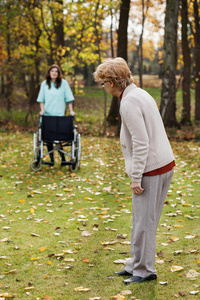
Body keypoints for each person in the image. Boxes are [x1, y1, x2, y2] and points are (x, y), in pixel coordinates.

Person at [93, 57, 175, 284]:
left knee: (144, 222)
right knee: (143, 220)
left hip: (152, 168)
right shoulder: (139, 94)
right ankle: (135, 264)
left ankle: (145, 270)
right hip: (162, 163)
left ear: (111, 82)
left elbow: (141, 142)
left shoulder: (128, 102)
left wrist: (136, 177)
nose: (103, 87)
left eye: (103, 83)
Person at [37, 64, 75, 166]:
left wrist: (71, 111)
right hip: (48, 115)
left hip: (60, 116)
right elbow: (41, 100)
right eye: (52, 71)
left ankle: (63, 159)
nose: (54, 73)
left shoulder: (64, 84)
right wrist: (42, 111)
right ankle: (52, 159)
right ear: (49, 73)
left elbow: (69, 99)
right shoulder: (44, 84)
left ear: (58, 74)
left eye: (56, 71)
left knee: (58, 139)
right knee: (48, 138)